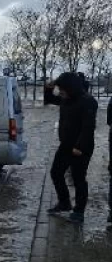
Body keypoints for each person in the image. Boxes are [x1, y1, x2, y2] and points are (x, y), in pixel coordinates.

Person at [44, 72, 98, 224]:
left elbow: (88, 127)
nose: (60, 91)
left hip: (81, 147)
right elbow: (48, 99)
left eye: (62, 88)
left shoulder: (88, 101)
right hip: (66, 144)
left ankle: (79, 212)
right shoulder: (66, 99)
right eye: (59, 88)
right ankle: (64, 202)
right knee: (56, 172)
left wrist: (79, 147)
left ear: (71, 87)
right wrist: (50, 87)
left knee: (78, 179)